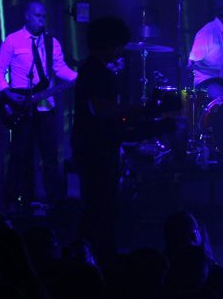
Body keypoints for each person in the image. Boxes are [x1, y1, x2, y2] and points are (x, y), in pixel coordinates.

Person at [0, 1, 77, 208]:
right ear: (27, 16)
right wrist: (8, 93)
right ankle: (12, 201)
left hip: (45, 106)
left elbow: (60, 69)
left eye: (44, 16)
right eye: (38, 16)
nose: (42, 20)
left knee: (50, 155)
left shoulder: (51, 42)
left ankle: (55, 202)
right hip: (20, 105)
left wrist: (80, 77)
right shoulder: (12, 40)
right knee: (19, 154)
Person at [70, 15, 133, 269]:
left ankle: (87, 260)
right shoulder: (95, 72)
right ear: (111, 43)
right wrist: (137, 111)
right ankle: (101, 261)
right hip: (95, 149)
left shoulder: (92, 69)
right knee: (101, 208)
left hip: (93, 147)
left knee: (97, 208)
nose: (121, 51)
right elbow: (101, 111)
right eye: (119, 45)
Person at [188, 0, 223, 100]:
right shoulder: (208, 33)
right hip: (205, 82)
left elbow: (222, 68)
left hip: (222, 80)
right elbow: (193, 64)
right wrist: (218, 72)